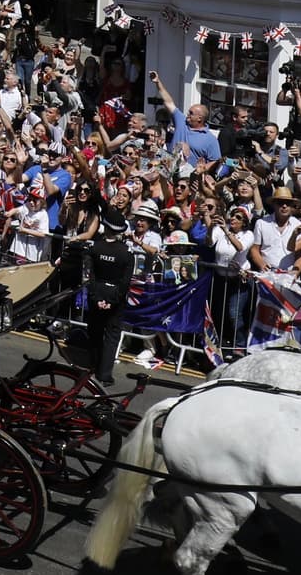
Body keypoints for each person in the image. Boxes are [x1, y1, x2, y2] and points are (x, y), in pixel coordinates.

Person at [86, 210, 135, 386]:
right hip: (115, 296)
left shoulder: (94, 248)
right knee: (112, 336)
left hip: (97, 293)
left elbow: (89, 276)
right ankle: (104, 375)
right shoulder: (127, 253)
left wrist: (96, 297)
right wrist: (112, 300)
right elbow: (125, 282)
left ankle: (93, 367)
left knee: (95, 332)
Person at [147, 69, 219, 169]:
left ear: (200, 118)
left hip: (188, 177)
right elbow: (169, 102)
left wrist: (200, 171)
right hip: (168, 169)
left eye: (191, 113)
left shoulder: (210, 139)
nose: (187, 114)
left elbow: (215, 160)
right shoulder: (182, 121)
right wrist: (158, 82)